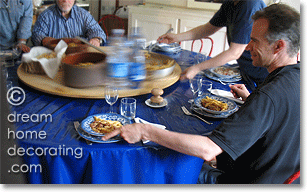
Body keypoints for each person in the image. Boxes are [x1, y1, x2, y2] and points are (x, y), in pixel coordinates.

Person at [103, 3, 300, 184]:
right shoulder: (296, 77)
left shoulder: (267, 97)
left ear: (278, 46)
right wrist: (251, 101)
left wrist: (145, 130)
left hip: (243, 181)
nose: (247, 47)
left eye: (254, 41)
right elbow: (281, 116)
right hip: (278, 176)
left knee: (166, 167)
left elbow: (208, 149)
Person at [158, 0, 269, 90]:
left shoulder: (249, 5)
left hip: (263, 76)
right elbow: (208, 28)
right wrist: (176, 37)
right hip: (246, 70)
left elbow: (235, 52)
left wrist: (197, 68)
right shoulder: (230, 3)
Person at [32, 0, 106, 47]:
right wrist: (43, 39)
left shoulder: (83, 14)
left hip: (79, 55)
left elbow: (97, 31)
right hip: (54, 57)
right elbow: (36, 36)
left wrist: (96, 39)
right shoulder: (45, 16)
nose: (65, 0)